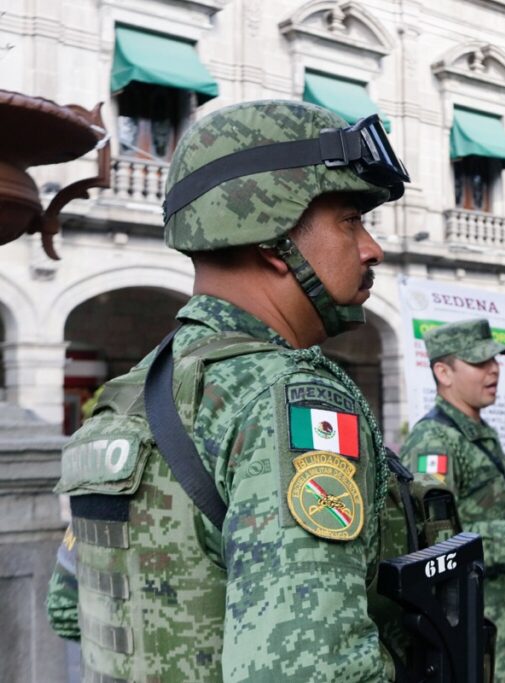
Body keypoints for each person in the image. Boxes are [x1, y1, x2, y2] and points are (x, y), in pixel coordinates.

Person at [48, 100, 410, 682]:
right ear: (270, 233)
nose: (372, 248)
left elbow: (68, 608)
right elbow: (306, 670)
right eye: (350, 220)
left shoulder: (124, 397)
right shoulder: (289, 398)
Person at [400, 319, 505, 683]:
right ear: (443, 372)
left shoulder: (478, 434)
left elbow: (479, 512)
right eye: (479, 363)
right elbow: (427, 540)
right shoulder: (435, 441)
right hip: (473, 643)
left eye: (496, 360)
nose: (494, 370)